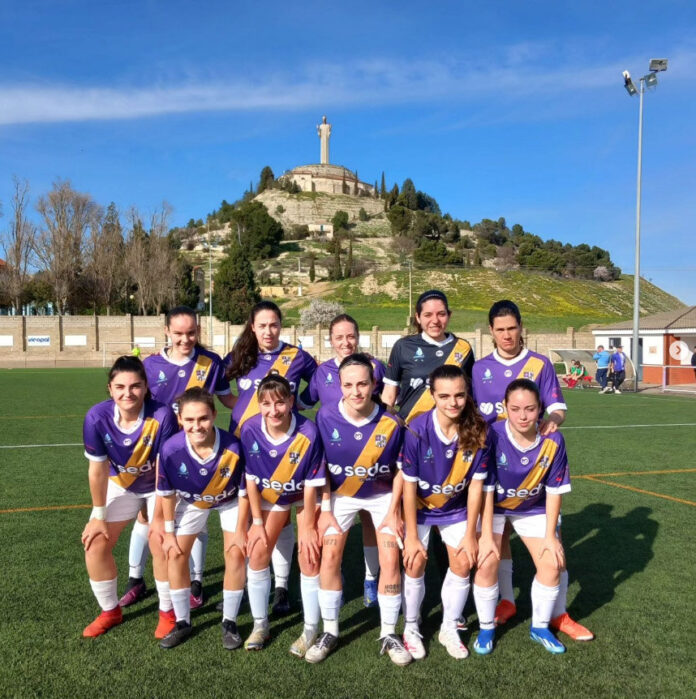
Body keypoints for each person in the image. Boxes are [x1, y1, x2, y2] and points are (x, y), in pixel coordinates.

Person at [471, 300, 591, 642]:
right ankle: (506, 603)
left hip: (532, 463)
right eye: (500, 329)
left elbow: (556, 408)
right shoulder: (480, 369)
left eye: (512, 328)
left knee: (556, 555)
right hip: (493, 468)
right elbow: (477, 418)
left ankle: (558, 615)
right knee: (495, 549)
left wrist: (550, 424)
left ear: (521, 327)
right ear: (491, 332)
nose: (507, 335)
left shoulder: (539, 364)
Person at [120, 306, 235, 610]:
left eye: (192, 333)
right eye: (179, 333)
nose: (186, 339)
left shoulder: (211, 363)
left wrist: (265, 408)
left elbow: (228, 399)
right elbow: (136, 405)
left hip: (198, 451)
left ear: (198, 331)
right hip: (158, 452)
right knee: (148, 517)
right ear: (167, 332)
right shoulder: (151, 364)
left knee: (197, 518)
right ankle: (135, 580)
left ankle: (196, 582)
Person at [307, 354, 410, 666]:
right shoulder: (325, 417)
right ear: (339, 386)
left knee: (391, 555)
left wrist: (395, 511)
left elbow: (402, 472)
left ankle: (389, 632)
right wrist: (325, 509)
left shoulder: (391, 422)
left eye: (362, 384)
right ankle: (330, 631)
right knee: (330, 552)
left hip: (383, 498)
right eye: (348, 385)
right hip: (340, 496)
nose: (356, 391)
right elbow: (320, 467)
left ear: (374, 384)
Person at [401, 365, 500, 660]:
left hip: (455, 509)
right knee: (414, 560)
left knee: (463, 560)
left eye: (459, 395)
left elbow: (475, 489)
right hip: (419, 509)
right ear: (432, 395)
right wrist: (411, 537)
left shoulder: (478, 430)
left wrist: (472, 534)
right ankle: (410, 627)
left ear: (467, 394)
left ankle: (448, 626)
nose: (452, 402)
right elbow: (408, 488)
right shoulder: (416, 429)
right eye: (444, 396)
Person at [225, 300, 318, 616]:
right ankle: (204, 581)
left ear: (281, 325)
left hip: (286, 442)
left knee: (281, 510)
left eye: (274, 324)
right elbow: (213, 376)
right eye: (262, 325)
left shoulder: (296, 356)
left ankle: (280, 587)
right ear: (252, 327)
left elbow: (321, 383)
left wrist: (301, 403)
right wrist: (234, 404)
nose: (268, 330)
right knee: (256, 512)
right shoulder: (242, 355)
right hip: (245, 442)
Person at [81, 355, 177, 637]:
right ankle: (111, 611)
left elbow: (165, 471)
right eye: (120, 386)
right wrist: (98, 516)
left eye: (135, 386)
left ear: (146, 387)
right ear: (110, 389)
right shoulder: (96, 417)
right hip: (120, 484)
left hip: (159, 487)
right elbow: (97, 471)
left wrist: (158, 517)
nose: (128, 393)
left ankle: (168, 612)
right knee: (95, 543)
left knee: (159, 541)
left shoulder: (162, 415)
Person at [300, 313, 385, 608]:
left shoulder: (376, 367)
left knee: (371, 523)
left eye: (350, 336)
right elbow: (304, 402)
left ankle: (370, 578)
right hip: (336, 459)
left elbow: (386, 406)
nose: (345, 342)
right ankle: (333, 579)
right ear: (331, 340)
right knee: (332, 529)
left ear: (358, 337)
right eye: (339, 337)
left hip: (371, 455)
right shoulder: (322, 372)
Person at [156, 388, 248, 649]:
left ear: (215, 415)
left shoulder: (233, 446)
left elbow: (243, 494)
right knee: (174, 554)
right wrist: (169, 531)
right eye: (190, 420)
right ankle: (183, 622)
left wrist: (241, 530)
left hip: (229, 501)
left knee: (235, 552)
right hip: (192, 502)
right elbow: (166, 494)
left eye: (204, 418)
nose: (197, 426)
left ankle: (229, 621)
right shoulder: (171, 449)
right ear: (180, 420)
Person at [489, 379, 575, 654]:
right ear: (504, 408)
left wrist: (551, 535)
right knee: (486, 560)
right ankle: (503, 605)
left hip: (532, 508)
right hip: (494, 508)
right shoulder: (490, 434)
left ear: (540, 409)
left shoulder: (553, 439)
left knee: (552, 563)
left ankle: (540, 626)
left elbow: (554, 491)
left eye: (530, 409)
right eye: (515, 409)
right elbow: (479, 485)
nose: (523, 416)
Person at [241, 375, 325, 654]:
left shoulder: (308, 431)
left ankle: (311, 628)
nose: (273, 410)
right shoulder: (251, 429)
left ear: (291, 401)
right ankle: (260, 624)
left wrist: (309, 526)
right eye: (266, 404)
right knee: (258, 552)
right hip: (271, 497)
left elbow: (312, 486)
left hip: (303, 495)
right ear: (259, 405)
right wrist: (255, 523)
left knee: (310, 554)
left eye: (279, 402)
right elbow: (251, 480)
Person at [381, 290, 474, 424]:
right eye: (428, 315)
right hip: (410, 428)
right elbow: (389, 396)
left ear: (449, 315)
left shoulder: (463, 349)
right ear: (418, 317)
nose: (435, 320)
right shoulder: (403, 346)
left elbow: (469, 395)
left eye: (441, 314)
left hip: (452, 430)